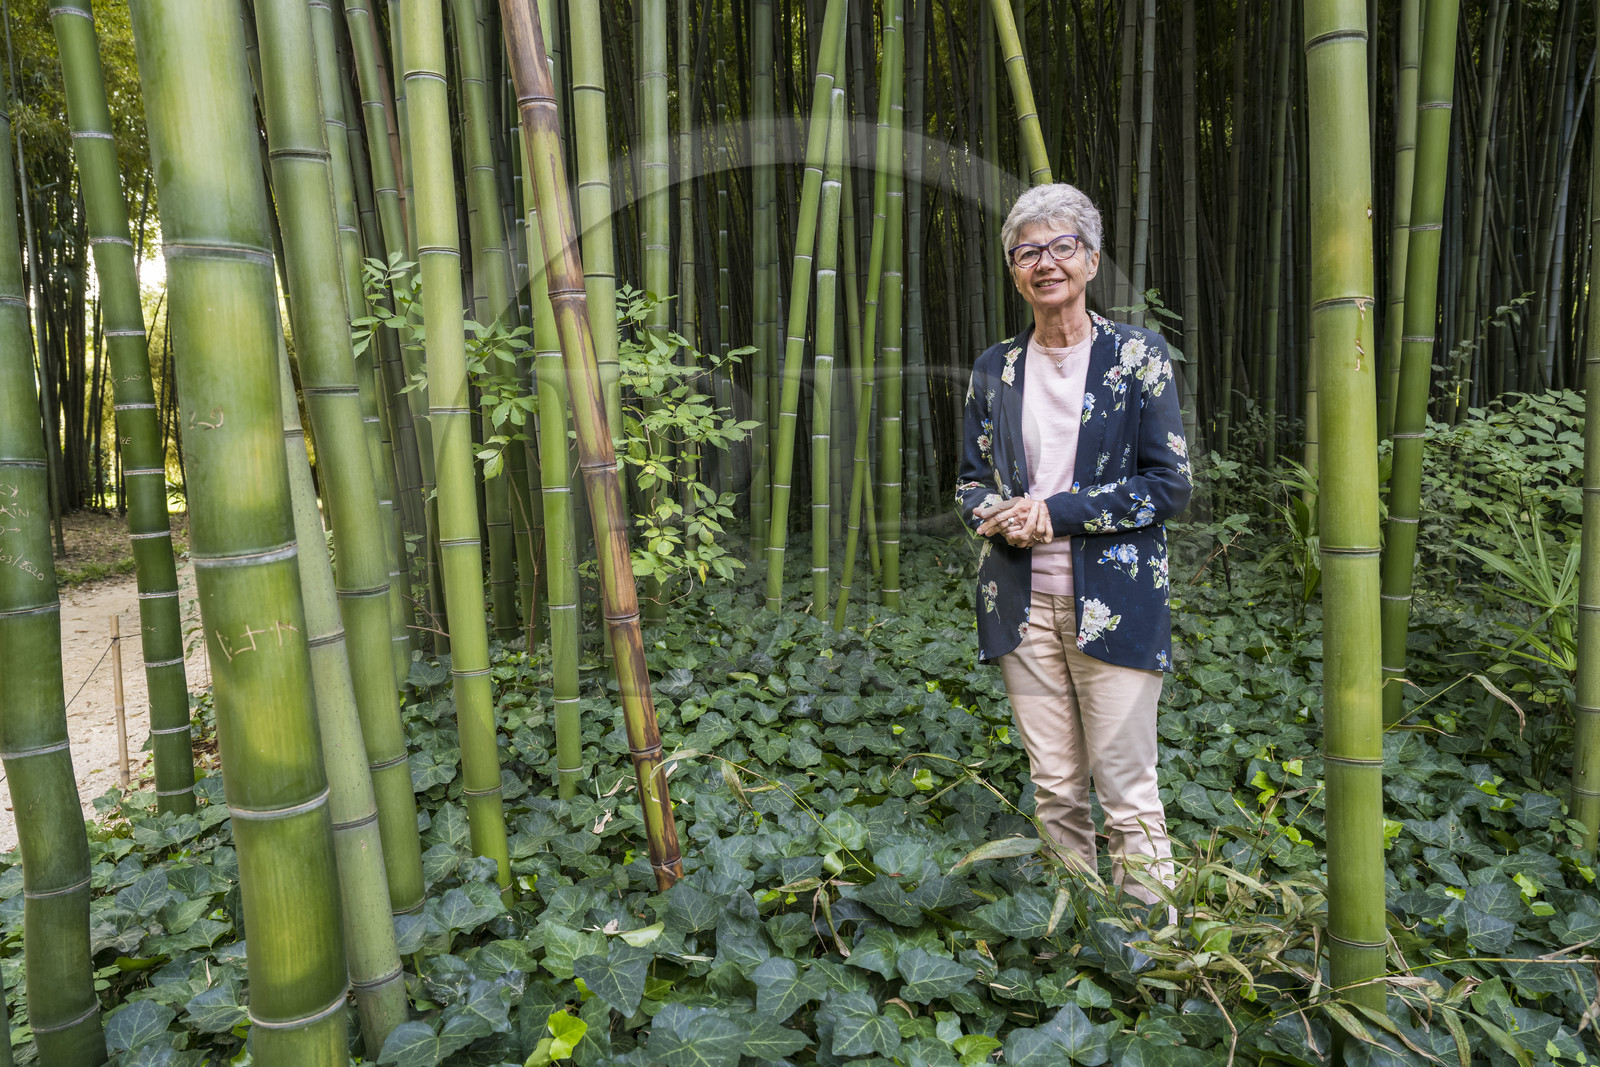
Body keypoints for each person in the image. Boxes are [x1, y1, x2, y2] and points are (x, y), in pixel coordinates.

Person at [955, 182, 1191, 910]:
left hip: (1113, 606)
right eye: (1028, 250)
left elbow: (1168, 485)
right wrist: (995, 512)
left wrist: (1055, 514)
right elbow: (969, 481)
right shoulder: (995, 368)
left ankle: (1154, 940)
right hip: (1022, 607)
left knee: (1126, 786)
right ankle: (1084, 931)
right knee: (1056, 784)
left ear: (1090, 260)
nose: (1045, 262)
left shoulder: (1136, 356)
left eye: (1062, 246)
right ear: (1015, 270)